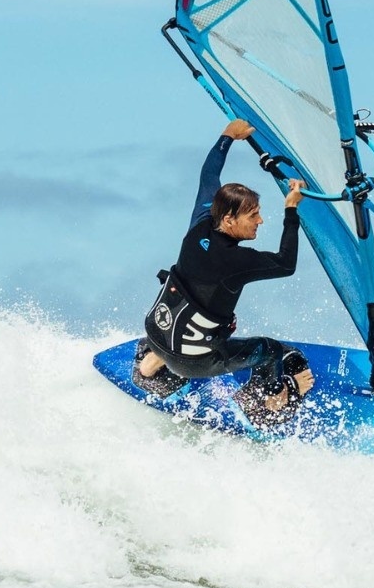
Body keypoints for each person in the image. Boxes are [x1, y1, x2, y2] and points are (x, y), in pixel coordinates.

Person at [134, 119, 315, 420]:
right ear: (229, 220)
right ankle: (268, 403)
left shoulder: (202, 220)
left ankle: (148, 369)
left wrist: (227, 137)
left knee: (191, 317)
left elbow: (209, 175)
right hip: (192, 363)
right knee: (270, 350)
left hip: (155, 333)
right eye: (253, 216)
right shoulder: (236, 262)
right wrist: (291, 209)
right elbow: (286, 264)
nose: (260, 221)